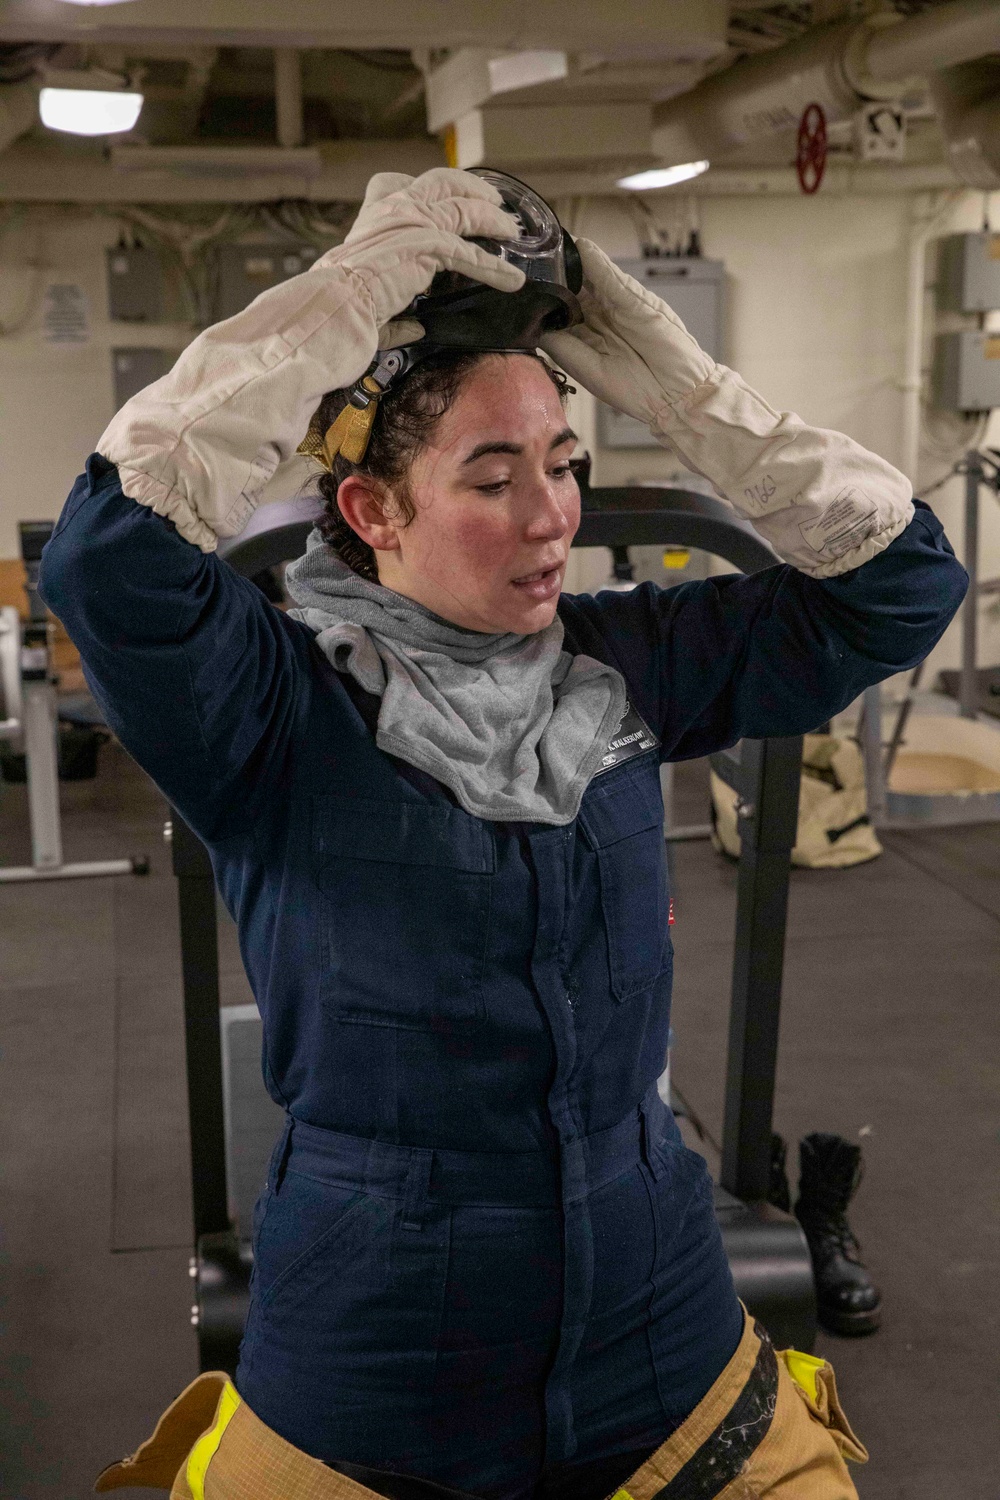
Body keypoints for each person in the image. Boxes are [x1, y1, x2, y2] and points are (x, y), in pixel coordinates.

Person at [42, 169, 965, 1500]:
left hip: (658, 1302)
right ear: (373, 512)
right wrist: (343, 304)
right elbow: (107, 557)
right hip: (376, 1335)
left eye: (563, 464)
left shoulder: (624, 662)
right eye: (492, 478)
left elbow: (902, 583)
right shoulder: (271, 703)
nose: (551, 519)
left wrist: (682, 385)